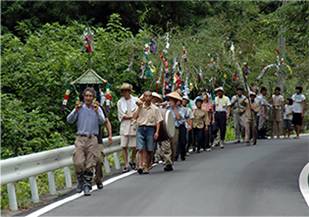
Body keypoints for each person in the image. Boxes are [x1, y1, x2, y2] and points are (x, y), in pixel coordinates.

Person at [67, 87, 105, 196]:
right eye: (86, 96)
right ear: (83, 97)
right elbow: (69, 120)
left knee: (90, 163)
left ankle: (87, 185)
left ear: (93, 98)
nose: (88, 98)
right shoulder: (79, 108)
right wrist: (75, 110)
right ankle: (80, 180)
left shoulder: (97, 108)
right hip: (80, 137)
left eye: (90, 96)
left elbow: (102, 121)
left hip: (92, 138)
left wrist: (97, 111)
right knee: (78, 162)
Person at [134, 91, 163, 174]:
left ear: (151, 98)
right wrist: (139, 108)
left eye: (149, 96)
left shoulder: (155, 108)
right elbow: (134, 117)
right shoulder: (140, 106)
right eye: (146, 96)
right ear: (144, 97)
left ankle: (147, 165)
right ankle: (141, 165)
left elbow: (158, 121)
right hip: (140, 128)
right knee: (140, 148)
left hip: (150, 129)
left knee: (149, 149)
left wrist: (157, 132)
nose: (148, 98)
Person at [117, 83, 138, 173]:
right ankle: (126, 164)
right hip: (124, 124)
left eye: (127, 91)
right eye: (123, 91)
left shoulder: (136, 100)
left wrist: (132, 116)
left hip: (133, 124)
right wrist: (130, 116)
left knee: (134, 146)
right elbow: (121, 115)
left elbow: (137, 112)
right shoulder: (120, 102)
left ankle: (132, 160)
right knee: (124, 146)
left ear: (130, 91)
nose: (125, 93)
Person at [152, 92, 174, 171]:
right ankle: (148, 162)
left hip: (163, 130)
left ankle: (168, 163)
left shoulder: (163, 108)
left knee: (166, 148)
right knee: (153, 149)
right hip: (152, 131)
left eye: (154, 98)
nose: (153, 100)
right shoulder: (148, 108)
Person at [94, 107, 113, 190]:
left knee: (99, 159)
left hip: (97, 138)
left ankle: (98, 178)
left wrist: (110, 135)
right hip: (85, 139)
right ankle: (86, 180)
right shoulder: (80, 108)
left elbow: (106, 121)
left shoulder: (98, 108)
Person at [167, 91, 187, 161]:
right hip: (167, 128)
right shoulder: (167, 108)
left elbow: (178, 118)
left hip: (177, 127)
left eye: (171, 100)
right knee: (168, 144)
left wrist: (174, 107)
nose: (170, 101)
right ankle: (168, 157)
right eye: (169, 100)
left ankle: (174, 157)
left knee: (176, 143)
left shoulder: (181, 109)